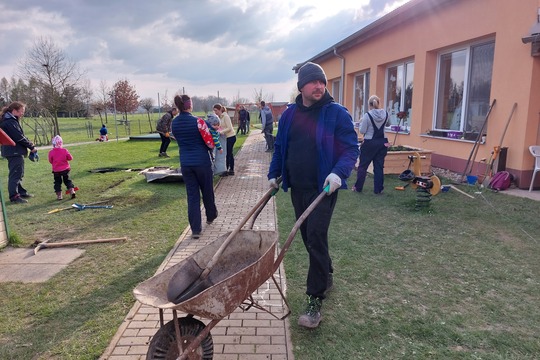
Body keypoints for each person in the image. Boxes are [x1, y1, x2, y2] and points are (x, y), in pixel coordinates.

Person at [267, 62, 358, 329]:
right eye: (313, 82)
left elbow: (351, 149)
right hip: (298, 188)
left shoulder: (336, 114)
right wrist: (274, 173)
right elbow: (281, 146)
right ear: (301, 86)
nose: (319, 86)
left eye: (323, 82)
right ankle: (326, 272)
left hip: (324, 188)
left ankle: (314, 300)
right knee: (308, 237)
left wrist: (338, 173)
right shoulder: (289, 115)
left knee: (316, 237)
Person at [171, 94, 218, 238]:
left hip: (186, 163)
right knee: (207, 191)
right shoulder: (199, 122)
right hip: (202, 163)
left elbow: (177, 138)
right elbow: (210, 143)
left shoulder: (174, 123)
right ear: (189, 105)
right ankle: (211, 216)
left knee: (192, 196)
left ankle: (196, 229)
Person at [0, 101, 38, 204]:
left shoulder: (10, 120)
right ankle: (14, 197)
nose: (22, 114)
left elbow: (19, 135)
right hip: (14, 151)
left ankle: (21, 192)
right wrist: (31, 147)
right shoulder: (9, 121)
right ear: (14, 111)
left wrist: (29, 142)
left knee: (18, 172)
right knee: (16, 174)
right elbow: (19, 137)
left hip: (13, 151)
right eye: (21, 111)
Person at [352, 95, 389, 194]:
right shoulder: (386, 114)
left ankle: (358, 187)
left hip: (369, 143)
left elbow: (362, 130)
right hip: (383, 142)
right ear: (378, 103)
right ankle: (378, 189)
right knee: (379, 167)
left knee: (363, 166)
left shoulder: (367, 116)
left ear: (369, 104)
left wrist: (360, 123)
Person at [48, 135, 77, 200]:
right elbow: (70, 158)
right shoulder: (64, 150)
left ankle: (59, 196)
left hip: (56, 170)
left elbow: (50, 161)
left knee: (57, 182)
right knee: (68, 181)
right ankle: (72, 191)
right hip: (65, 169)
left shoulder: (51, 152)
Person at [213, 103, 236, 176]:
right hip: (225, 137)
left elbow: (229, 128)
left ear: (220, 109)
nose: (215, 112)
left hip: (231, 137)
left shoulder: (225, 116)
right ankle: (228, 170)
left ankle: (228, 170)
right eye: (214, 111)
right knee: (227, 154)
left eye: (216, 110)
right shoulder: (219, 117)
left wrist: (221, 132)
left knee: (228, 154)